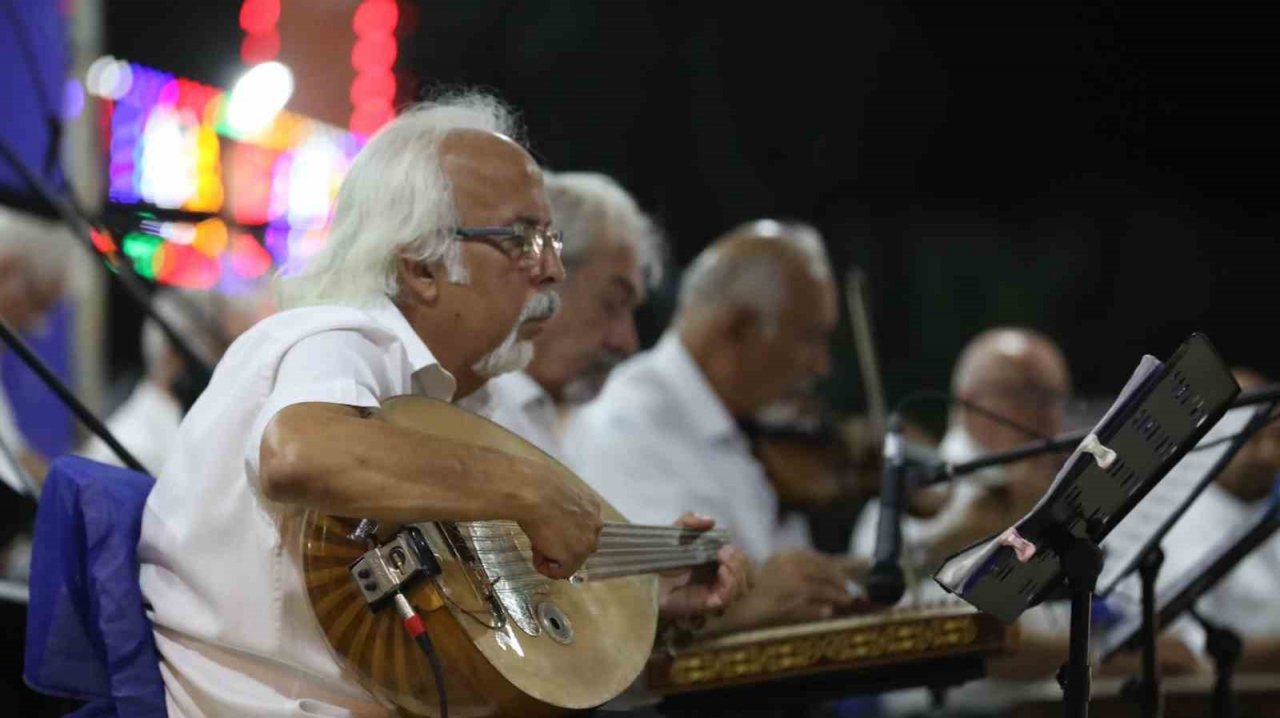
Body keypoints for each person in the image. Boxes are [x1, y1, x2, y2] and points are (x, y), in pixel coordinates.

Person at [135, 94, 743, 717]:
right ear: (423, 266)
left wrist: (642, 602)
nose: (553, 269)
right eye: (525, 240)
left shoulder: (435, 399)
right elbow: (299, 453)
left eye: (552, 240)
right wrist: (527, 487)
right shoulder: (335, 339)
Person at [566, 220, 859, 632]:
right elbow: (640, 621)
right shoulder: (629, 429)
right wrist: (755, 602)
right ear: (737, 328)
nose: (821, 365)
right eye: (808, 337)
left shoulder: (734, 422)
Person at [479, 171, 664, 460]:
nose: (626, 343)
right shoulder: (469, 414)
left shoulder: (548, 423)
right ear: (541, 276)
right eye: (611, 304)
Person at [79, 286, 274, 474]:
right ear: (174, 357)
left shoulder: (203, 430)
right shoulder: (130, 450)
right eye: (225, 350)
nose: (238, 368)